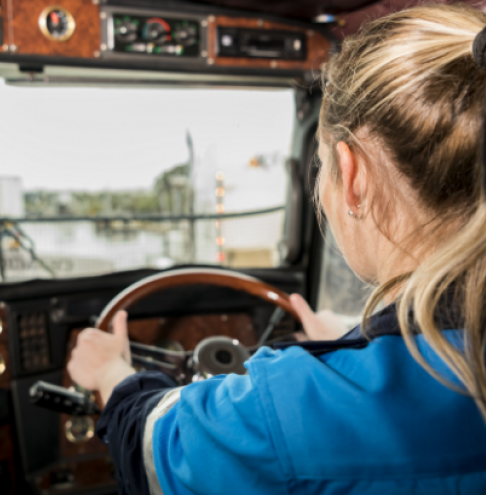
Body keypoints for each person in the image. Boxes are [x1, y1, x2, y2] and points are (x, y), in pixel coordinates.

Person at [67, 4, 486, 493]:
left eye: (323, 163)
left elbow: (152, 447)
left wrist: (111, 372)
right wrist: (352, 339)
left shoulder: (287, 404)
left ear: (352, 176)